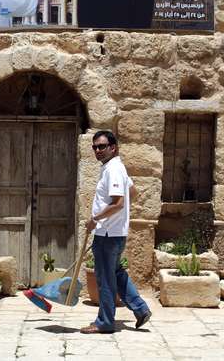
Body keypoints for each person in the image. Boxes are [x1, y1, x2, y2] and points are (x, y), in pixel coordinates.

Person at [81, 130, 152, 334]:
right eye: (95, 147)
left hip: (108, 234)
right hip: (115, 232)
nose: (98, 150)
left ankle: (105, 322)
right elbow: (132, 191)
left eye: (102, 146)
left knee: (105, 278)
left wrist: (95, 220)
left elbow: (118, 202)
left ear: (113, 147)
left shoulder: (113, 169)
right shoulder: (115, 168)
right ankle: (140, 310)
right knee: (116, 273)